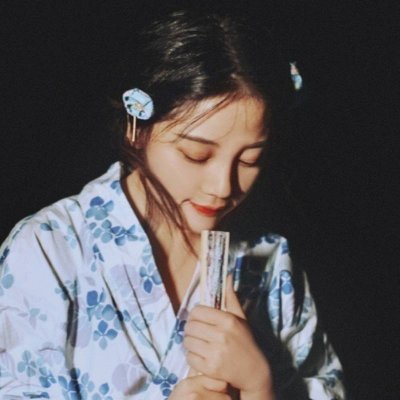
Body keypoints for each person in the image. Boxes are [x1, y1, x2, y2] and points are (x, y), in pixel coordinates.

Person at [0, 4, 345, 399]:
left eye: (250, 159)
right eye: (196, 155)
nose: (222, 186)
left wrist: (259, 386)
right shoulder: (49, 250)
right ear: (136, 129)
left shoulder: (269, 261)